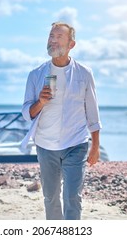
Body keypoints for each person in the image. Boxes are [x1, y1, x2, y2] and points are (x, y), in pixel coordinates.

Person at [21, 22, 102, 220]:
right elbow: (26, 112)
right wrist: (40, 102)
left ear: (71, 44)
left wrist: (95, 146)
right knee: (50, 197)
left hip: (76, 143)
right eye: (51, 36)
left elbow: (92, 111)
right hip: (45, 144)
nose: (53, 40)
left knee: (72, 196)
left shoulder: (84, 73)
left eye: (59, 37)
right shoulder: (36, 74)